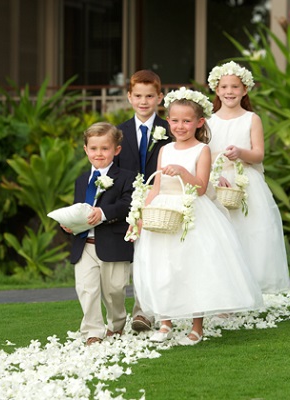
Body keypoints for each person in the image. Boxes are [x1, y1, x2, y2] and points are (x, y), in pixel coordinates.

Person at [129, 87, 263, 346]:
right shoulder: (164, 150)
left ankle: (196, 326)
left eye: (187, 121)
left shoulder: (202, 150)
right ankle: (165, 322)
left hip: (191, 212)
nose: (180, 126)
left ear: (199, 122)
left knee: (192, 268)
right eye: (175, 121)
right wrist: (141, 215)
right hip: (164, 215)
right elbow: (156, 187)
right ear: (168, 121)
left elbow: (201, 187)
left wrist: (181, 172)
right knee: (163, 269)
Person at [206, 61, 290, 294]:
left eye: (235, 87)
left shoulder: (251, 119)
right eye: (224, 87)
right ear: (216, 89)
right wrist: (214, 172)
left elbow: (258, 153)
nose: (229, 92)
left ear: (245, 90)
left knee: (249, 234)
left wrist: (240, 153)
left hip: (245, 183)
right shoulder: (209, 121)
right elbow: (202, 153)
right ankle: (225, 290)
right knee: (221, 236)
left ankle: (250, 289)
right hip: (217, 181)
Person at [64, 122, 136, 346]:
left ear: (116, 150)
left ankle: (117, 323)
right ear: (86, 149)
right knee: (86, 289)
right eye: (93, 148)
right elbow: (80, 208)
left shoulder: (127, 177)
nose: (99, 153)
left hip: (113, 243)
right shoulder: (81, 179)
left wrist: (103, 212)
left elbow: (127, 205)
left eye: (105, 148)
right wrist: (69, 224)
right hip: (84, 243)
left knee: (114, 290)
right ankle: (93, 331)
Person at [115, 70, 171, 333]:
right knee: (136, 259)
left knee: (154, 258)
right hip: (129, 204)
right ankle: (140, 311)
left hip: (161, 201)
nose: (144, 101)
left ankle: (145, 313)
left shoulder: (170, 130)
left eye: (150, 96)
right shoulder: (119, 133)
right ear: (129, 97)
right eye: (138, 96)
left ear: (160, 97)